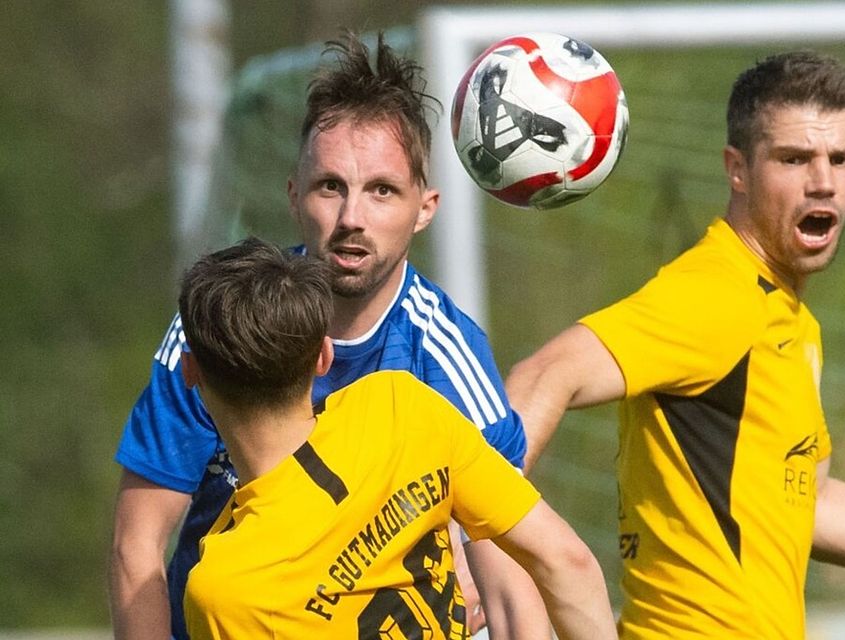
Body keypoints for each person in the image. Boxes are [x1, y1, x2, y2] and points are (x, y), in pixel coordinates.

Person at [109, 32, 550, 640]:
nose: (352, 219)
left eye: (382, 191)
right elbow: (137, 550)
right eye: (330, 187)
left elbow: (508, 581)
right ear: (294, 197)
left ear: (426, 207)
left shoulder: (446, 355)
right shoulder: (218, 325)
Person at [505, 50, 845, 639]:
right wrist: (480, 547)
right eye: (794, 158)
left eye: (841, 158)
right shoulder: (716, 295)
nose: (823, 181)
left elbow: (807, 503)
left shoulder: (785, 315)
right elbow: (544, 374)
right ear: (737, 169)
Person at [173, 237, 617, 639]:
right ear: (324, 355)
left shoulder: (224, 588)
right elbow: (566, 562)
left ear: (189, 371)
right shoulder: (400, 404)